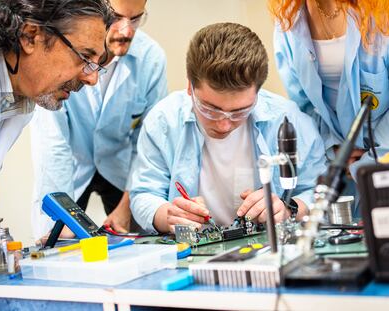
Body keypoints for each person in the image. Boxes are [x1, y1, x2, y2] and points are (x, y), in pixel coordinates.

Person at [129, 23, 327, 233]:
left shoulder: (289, 121)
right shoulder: (163, 121)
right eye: (210, 109)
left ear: (257, 94)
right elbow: (144, 193)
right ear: (190, 87)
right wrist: (166, 215)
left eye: (239, 112)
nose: (224, 124)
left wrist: (289, 209)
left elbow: (319, 191)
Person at [31, 0, 167, 239]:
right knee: (59, 242)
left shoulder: (151, 58)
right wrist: (60, 218)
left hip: (121, 167)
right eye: (116, 17)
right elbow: (54, 144)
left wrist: (127, 207)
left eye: (135, 19)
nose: (127, 31)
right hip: (72, 164)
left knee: (137, 243)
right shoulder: (62, 52)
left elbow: (147, 143)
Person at [0, 0, 112, 223]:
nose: (92, 78)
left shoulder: (21, 97)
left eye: (97, 64)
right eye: (85, 57)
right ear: (30, 36)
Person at [270, 0, 389, 215]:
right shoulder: (288, 23)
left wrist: (373, 155)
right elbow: (303, 106)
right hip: (334, 162)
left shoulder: (382, 14)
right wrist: (333, 149)